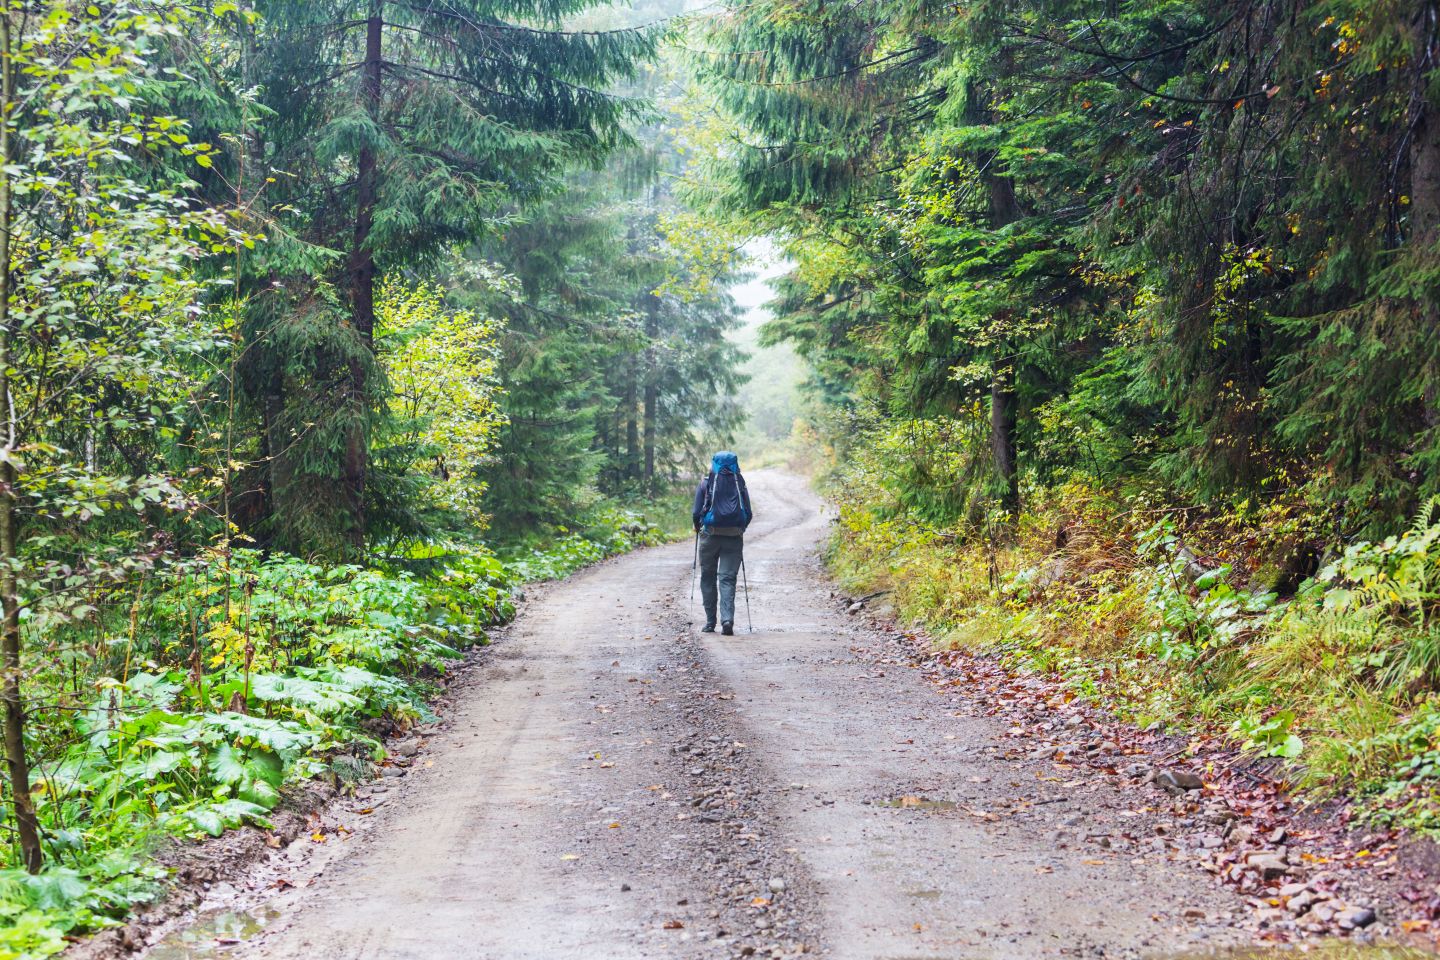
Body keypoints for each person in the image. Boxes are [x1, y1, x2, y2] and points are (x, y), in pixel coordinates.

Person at [691, 451, 753, 635]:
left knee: (708, 577)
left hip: (709, 536)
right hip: (733, 538)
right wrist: (740, 529)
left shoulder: (706, 482)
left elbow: (696, 512)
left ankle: (710, 622)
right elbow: (748, 513)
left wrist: (697, 527)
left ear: (714, 464)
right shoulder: (739, 482)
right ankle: (727, 620)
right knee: (727, 578)